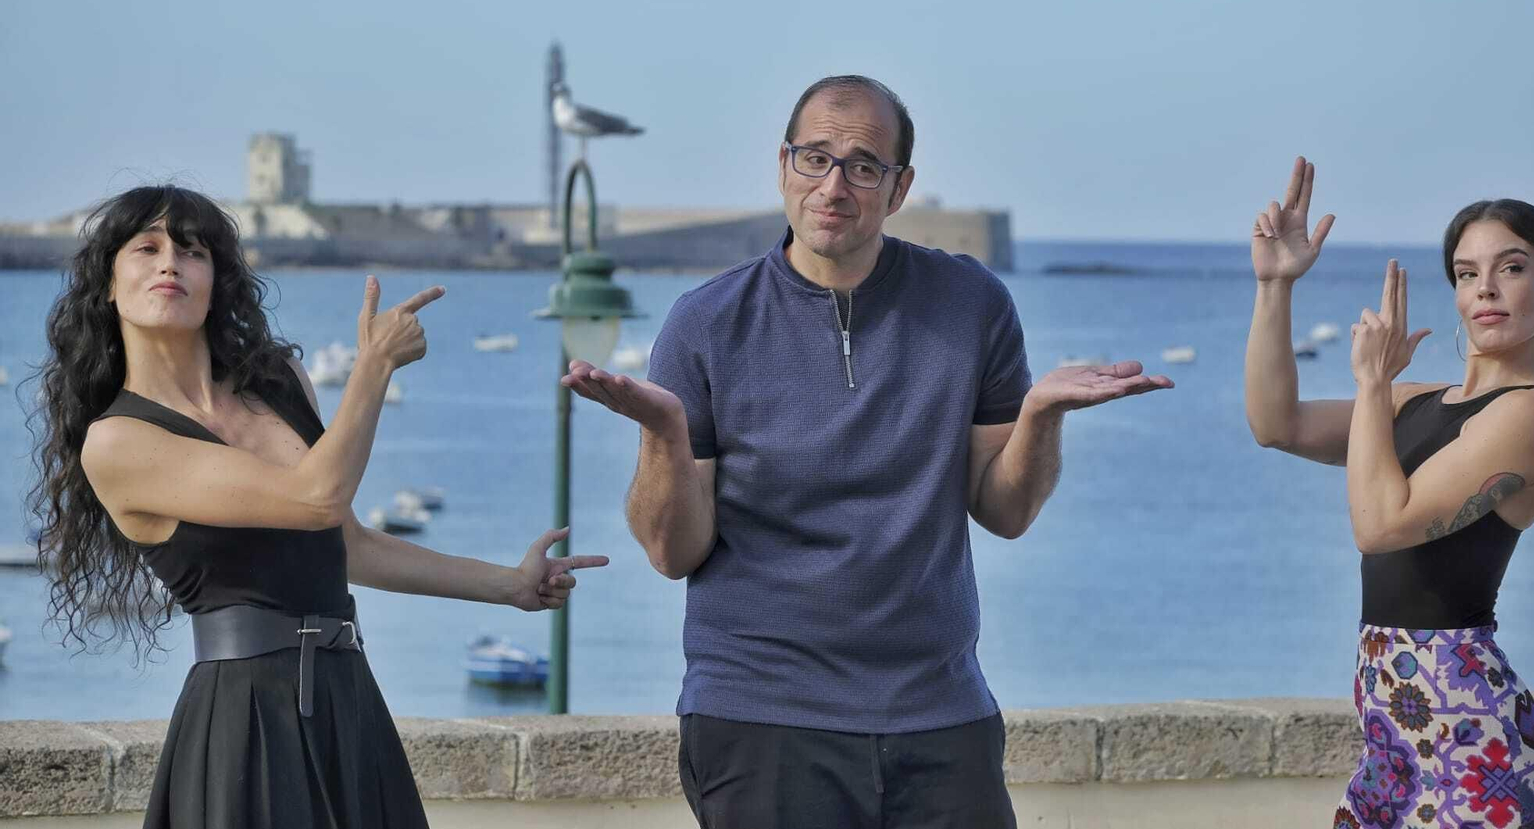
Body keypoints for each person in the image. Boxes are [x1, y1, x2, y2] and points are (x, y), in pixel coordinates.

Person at [562, 75, 1172, 828]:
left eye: (862, 166)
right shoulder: (706, 322)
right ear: (784, 165)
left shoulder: (972, 303)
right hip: (762, 716)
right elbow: (672, 551)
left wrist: (1040, 417)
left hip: (941, 713)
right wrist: (666, 433)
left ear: (899, 187)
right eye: (815, 158)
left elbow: (1005, 512)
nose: (833, 186)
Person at [28, 186, 609, 829]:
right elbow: (316, 497)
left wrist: (511, 586)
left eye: (192, 251)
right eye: (147, 248)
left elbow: (347, 542)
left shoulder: (278, 381)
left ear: (217, 282)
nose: (171, 263)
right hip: (244, 722)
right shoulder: (118, 442)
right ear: (108, 285)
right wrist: (374, 367)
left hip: (347, 698)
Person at [1244, 158, 1534, 826]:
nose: (1486, 289)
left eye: (1511, 267)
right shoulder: (1416, 400)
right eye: (1466, 273)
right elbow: (1276, 424)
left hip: (1475, 748)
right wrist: (1275, 286)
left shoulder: (1527, 416)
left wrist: (1373, 385)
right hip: (1393, 739)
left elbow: (1380, 525)